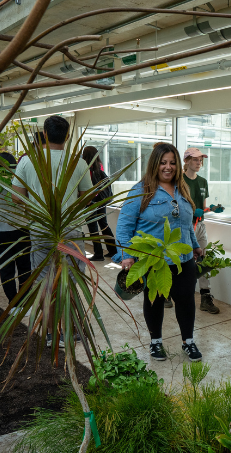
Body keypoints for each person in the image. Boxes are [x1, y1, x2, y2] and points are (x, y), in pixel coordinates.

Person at [114, 142, 203, 363]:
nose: (168, 167)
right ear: (155, 164)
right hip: (154, 259)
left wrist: (194, 245)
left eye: (172, 163)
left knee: (186, 301)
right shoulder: (141, 189)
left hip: (183, 258)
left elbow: (186, 223)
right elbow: (124, 224)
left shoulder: (182, 187)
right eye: (163, 162)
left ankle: (188, 341)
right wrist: (126, 254)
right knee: (154, 300)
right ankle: (156, 342)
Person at [12, 116, 93, 346]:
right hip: (72, 231)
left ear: (44, 135)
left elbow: (16, 197)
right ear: (67, 136)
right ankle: (69, 330)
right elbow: (87, 196)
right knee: (72, 281)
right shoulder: (77, 162)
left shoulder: (28, 162)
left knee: (46, 284)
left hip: (41, 231)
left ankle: (51, 334)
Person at [0, 152, 31, 316]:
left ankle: (14, 305)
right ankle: (24, 303)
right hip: (21, 232)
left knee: (6, 271)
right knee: (25, 269)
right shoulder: (19, 187)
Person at [183, 147, 221, 315]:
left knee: (203, 261)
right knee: (182, 261)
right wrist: (192, 212)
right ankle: (169, 293)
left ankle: (205, 297)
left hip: (200, 227)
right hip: (183, 227)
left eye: (200, 160)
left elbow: (203, 207)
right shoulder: (179, 181)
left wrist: (212, 208)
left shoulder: (203, 181)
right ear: (186, 161)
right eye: (195, 160)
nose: (199, 163)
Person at [81, 146, 118, 261]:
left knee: (93, 227)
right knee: (104, 224)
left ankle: (98, 254)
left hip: (91, 202)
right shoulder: (99, 166)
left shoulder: (86, 168)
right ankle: (113, 251)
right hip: (102, 201)